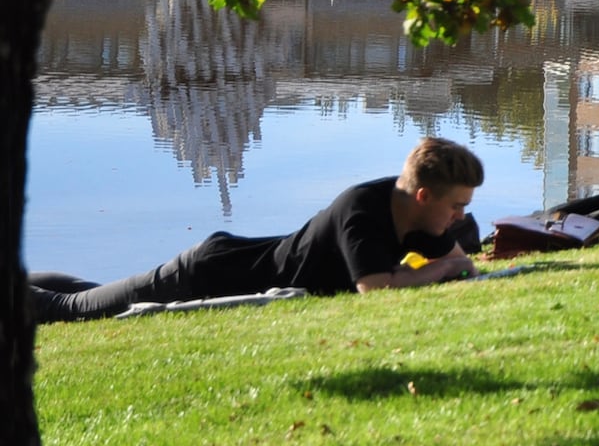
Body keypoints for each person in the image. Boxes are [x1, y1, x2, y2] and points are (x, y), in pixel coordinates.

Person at [32, 138, 482, 323]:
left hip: (233, 261)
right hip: (207, 275)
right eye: (456, 205)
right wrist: (441, 271)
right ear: (424, 197)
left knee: (86, 291)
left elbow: (459, 251)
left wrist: (454, 260)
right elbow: (376, 289)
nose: (460, 216)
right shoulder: (362, 210)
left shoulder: (417, 213)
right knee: (72, 310)